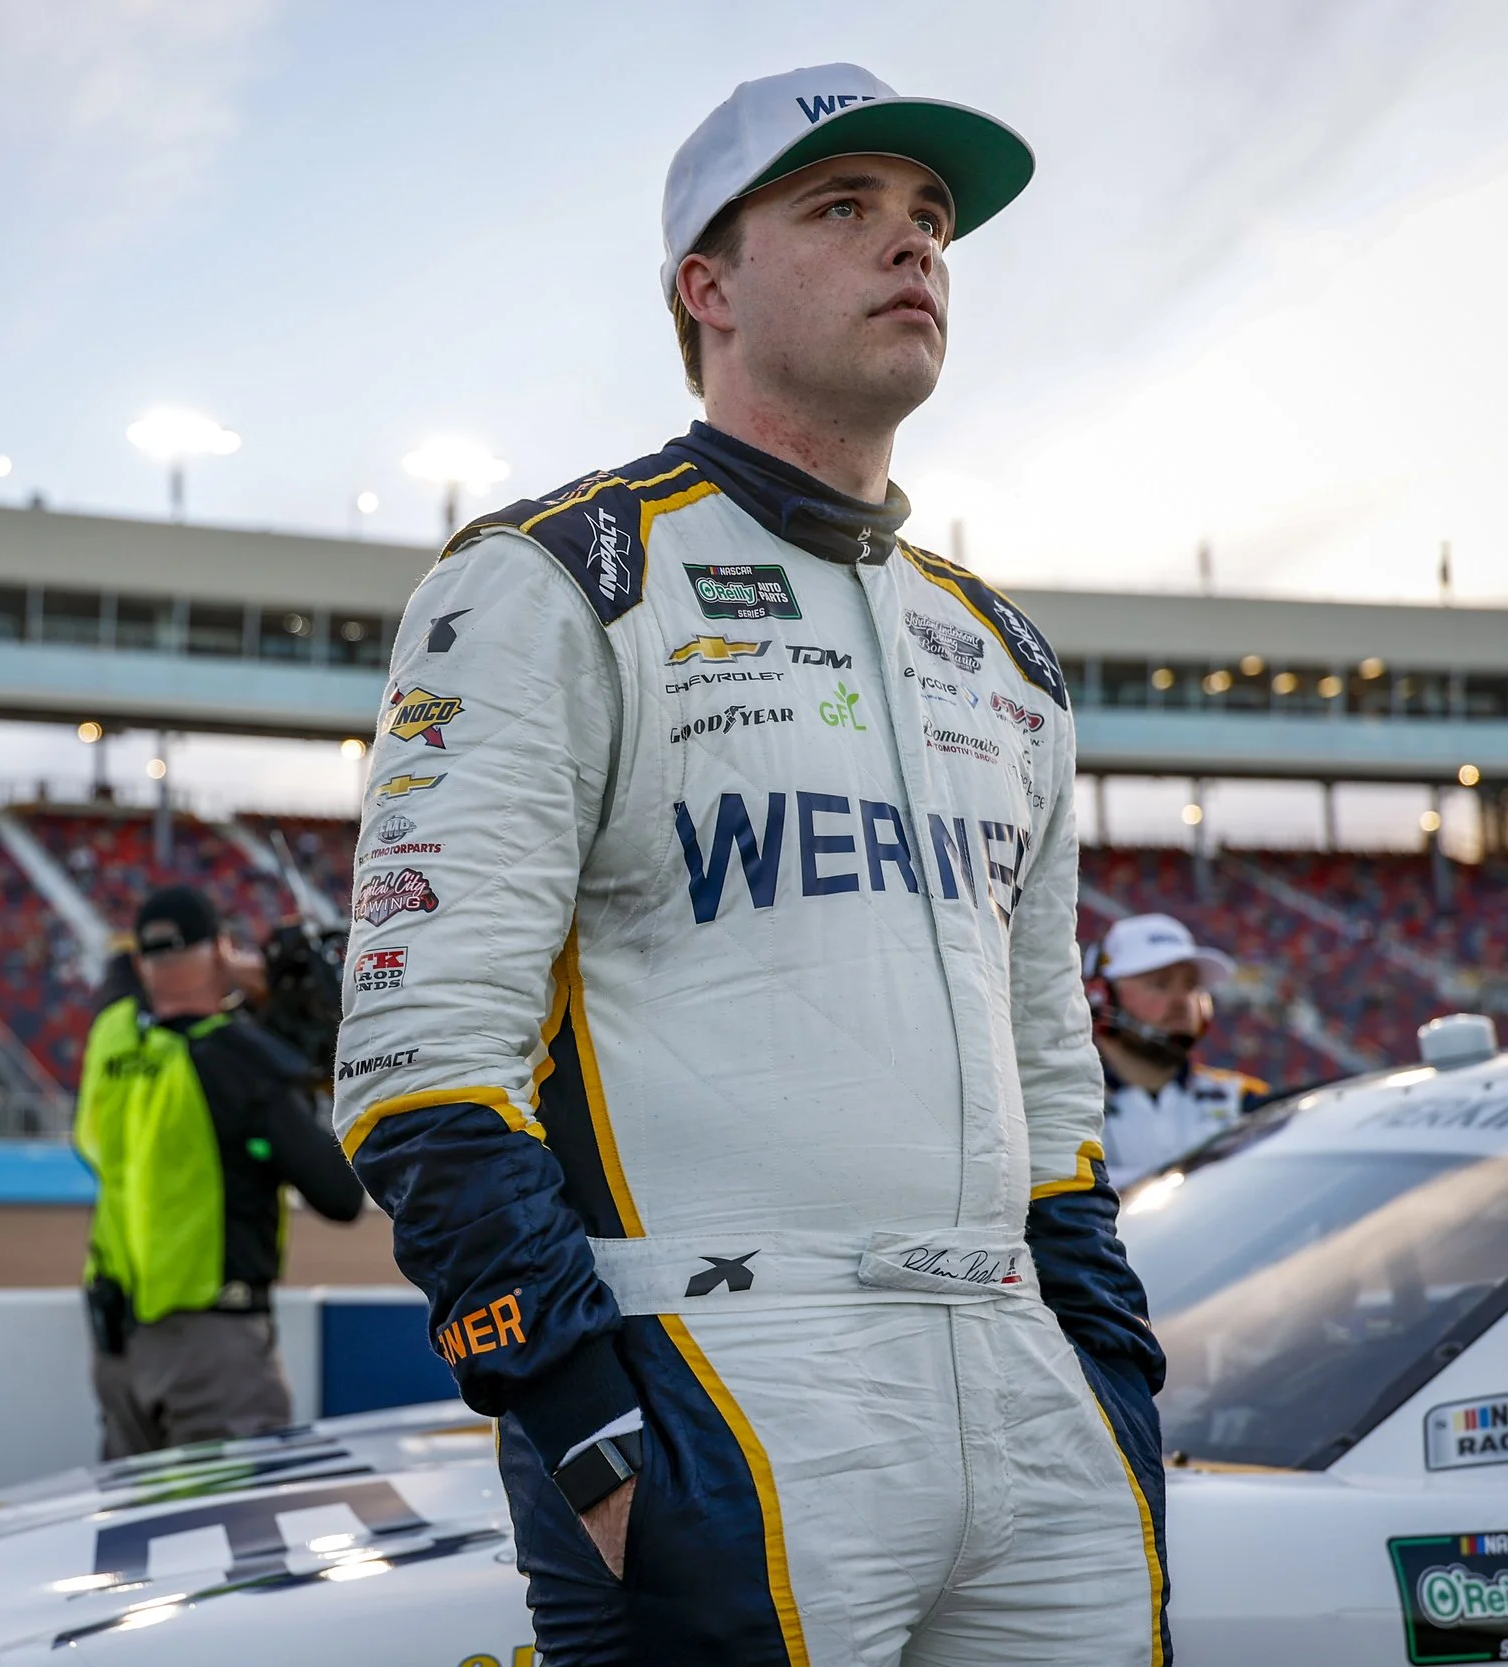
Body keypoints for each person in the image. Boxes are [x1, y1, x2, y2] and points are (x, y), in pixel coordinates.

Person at [334, 63, 1166, 1667]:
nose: (912, 246)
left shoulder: (1002, 649)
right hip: (722, 1370)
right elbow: (417, 1060)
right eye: (843, 207)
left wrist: (1112, 1386)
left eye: (929, 219)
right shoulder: (559, 574)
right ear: (705, 288)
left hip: (1024, 1378)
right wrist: (581, 1420)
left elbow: (1057, 1079)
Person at [74, 885, 364, 1457]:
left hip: (118, 1354)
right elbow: (340, 1196)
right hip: (214, 1357)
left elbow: (122, 981)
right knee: (232, 1536)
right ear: (221, 949)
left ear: (143, 962)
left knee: (137, 1534)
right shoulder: (243, 1064)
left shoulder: (112, 1041)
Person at [1089, 912, 1268, 1184]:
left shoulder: (1246, 1100)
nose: (1182, 1000)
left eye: (1191, 984)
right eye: (1159, 983)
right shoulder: (1060, 1109)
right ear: (1101, 997)